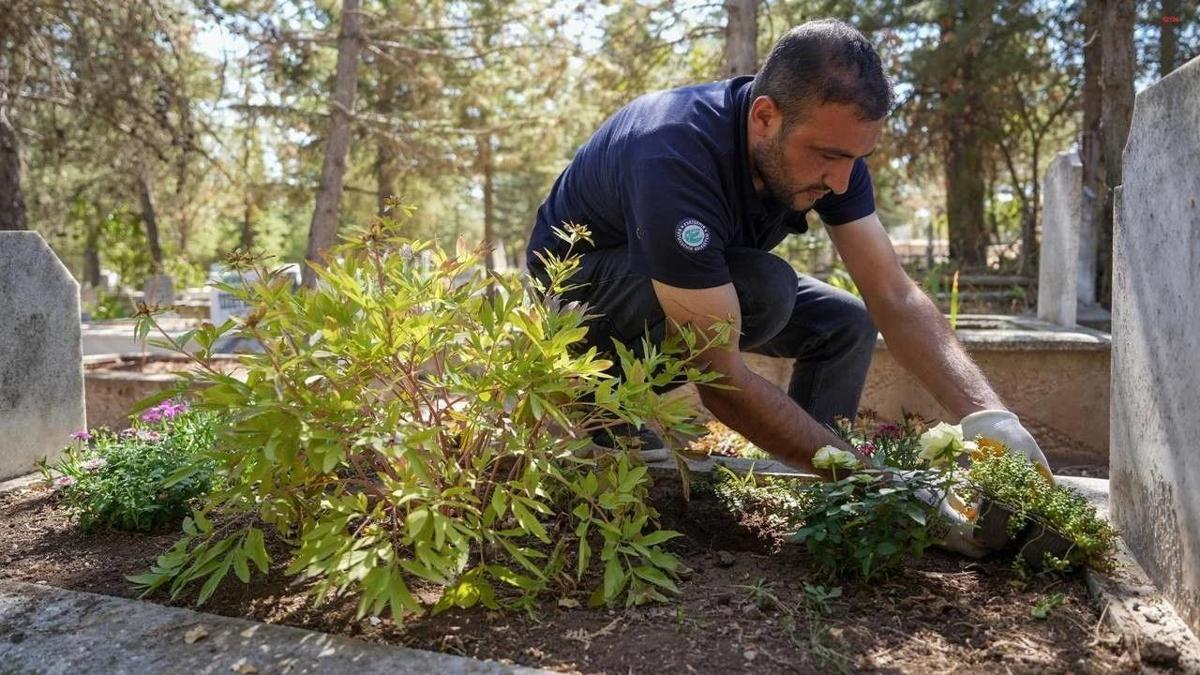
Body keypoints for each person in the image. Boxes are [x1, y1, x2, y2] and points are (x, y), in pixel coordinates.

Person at [525, 19, 1050, 553]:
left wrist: (991, 419)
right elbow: (719, 377)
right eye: (829, 157)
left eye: (856, 159)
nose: (841, 182)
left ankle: (817, 490)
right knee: (764, 288)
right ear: (765, 117)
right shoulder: (671, 152)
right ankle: (607, 418)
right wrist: (884, 485)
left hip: (685, 280)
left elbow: (892, 294)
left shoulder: (833, 151)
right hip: (576, 310)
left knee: (845, 322)